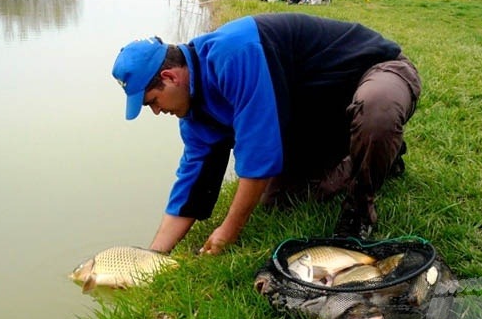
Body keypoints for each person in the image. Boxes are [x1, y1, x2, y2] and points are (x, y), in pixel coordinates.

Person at [111, 13, 421, 255]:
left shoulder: (234, 53)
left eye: (152, 101)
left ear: (170, 77)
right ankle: (377, 155)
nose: (156, 111)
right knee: (280, 200)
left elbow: (258, 157)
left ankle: (359, 209)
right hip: (326, 118)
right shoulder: (194, 114)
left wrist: (228, 231)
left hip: (377, 72)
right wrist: (153, 256)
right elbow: (192, 186)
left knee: (377, 112)